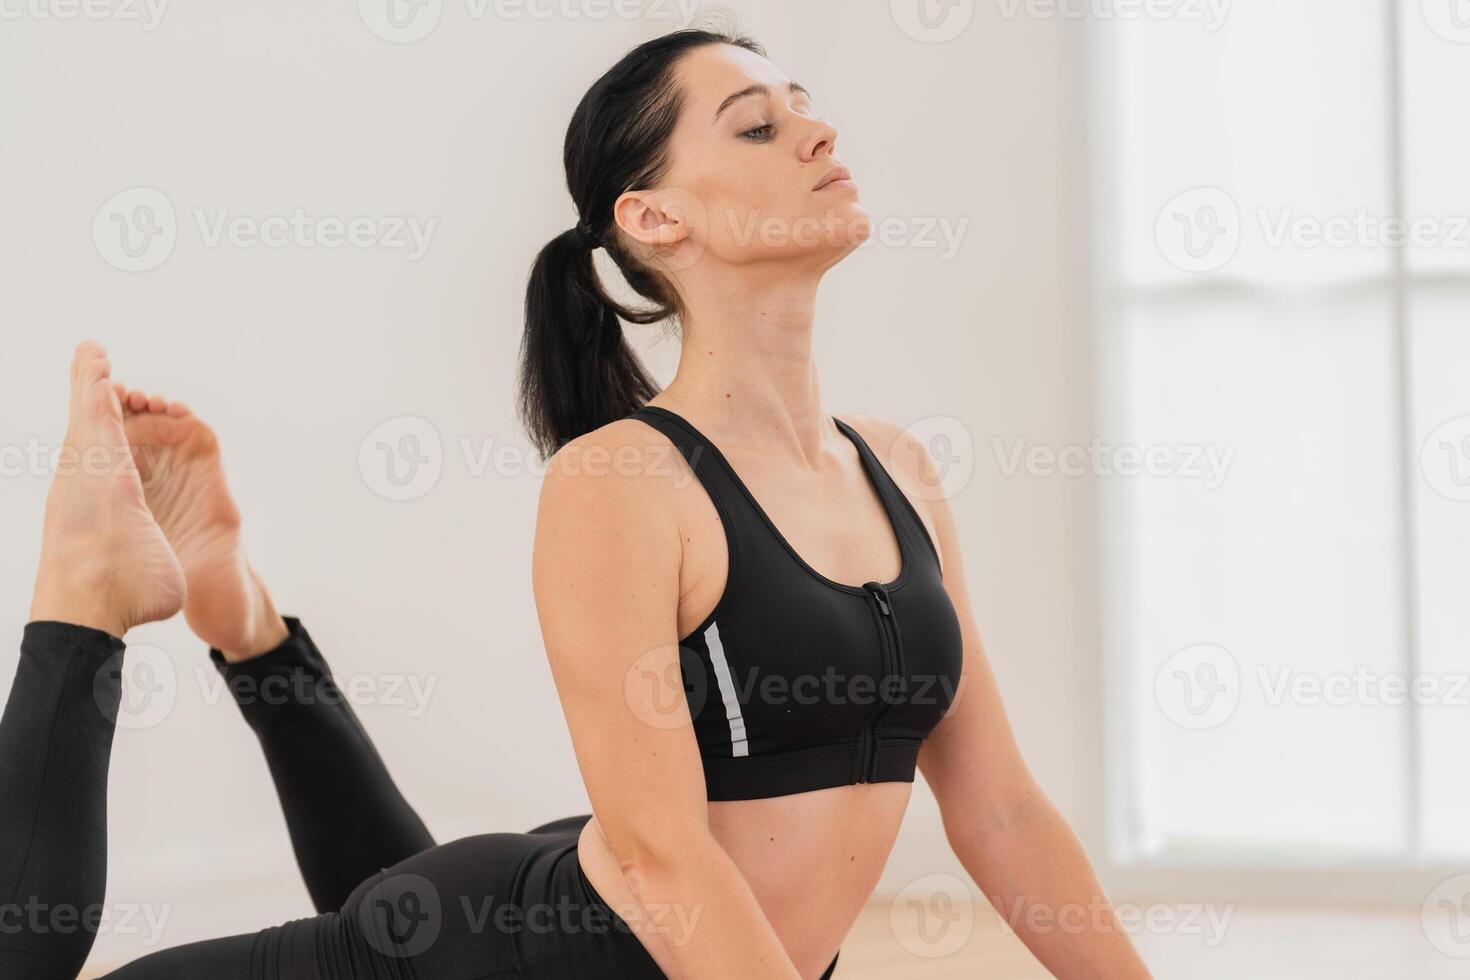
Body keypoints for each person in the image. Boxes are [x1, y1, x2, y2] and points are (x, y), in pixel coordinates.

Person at [0, 27, 1153, 980]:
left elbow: (998, 807)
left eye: (804, 104)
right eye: (757, 124)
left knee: (402, 894)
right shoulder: (622, 481)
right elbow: (661, 859)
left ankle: (246, 622)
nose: (819, 130)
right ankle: (85, 595)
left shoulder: (897, 466)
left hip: (584, 919)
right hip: (509, 948)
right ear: (654, 218)